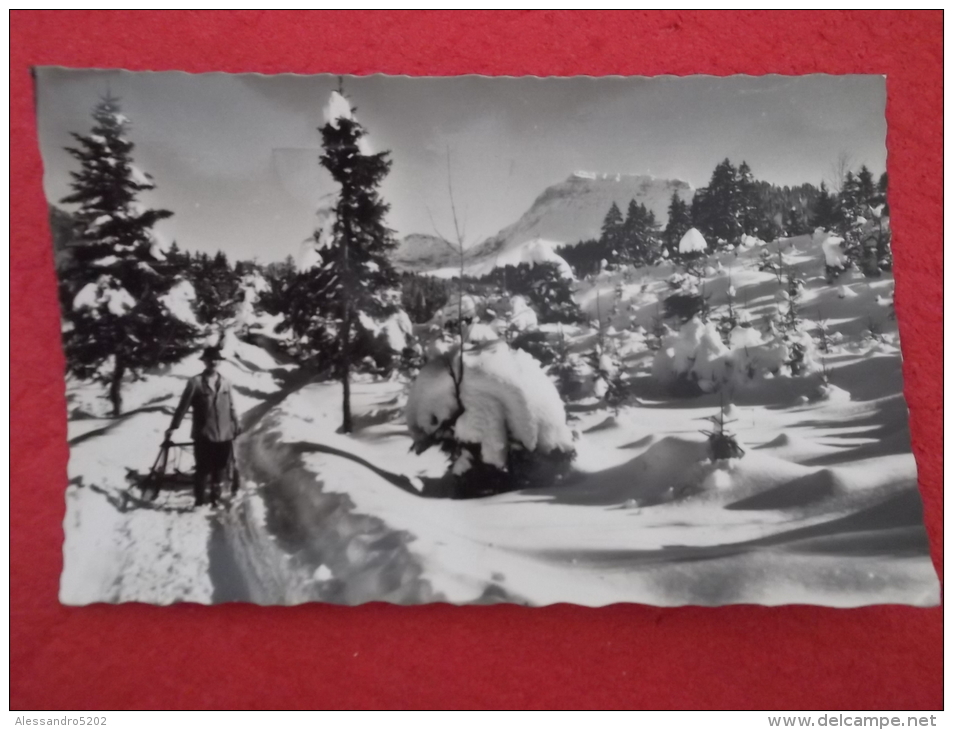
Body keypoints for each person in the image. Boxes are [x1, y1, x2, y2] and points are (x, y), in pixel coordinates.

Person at [166, 346, 242, 507]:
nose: (213, 362)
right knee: (203, 468)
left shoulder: (226, 383)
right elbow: (183, 406)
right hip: (204, 434)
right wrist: (174, 426)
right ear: (205, 362)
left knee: (221, 466)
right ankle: (199, 500)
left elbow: (231, 406)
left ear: (219, 362)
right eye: (210, 359)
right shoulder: (195, 382)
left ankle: (216, 493)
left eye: (216, 359)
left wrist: (236, 422)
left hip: (225, 433)